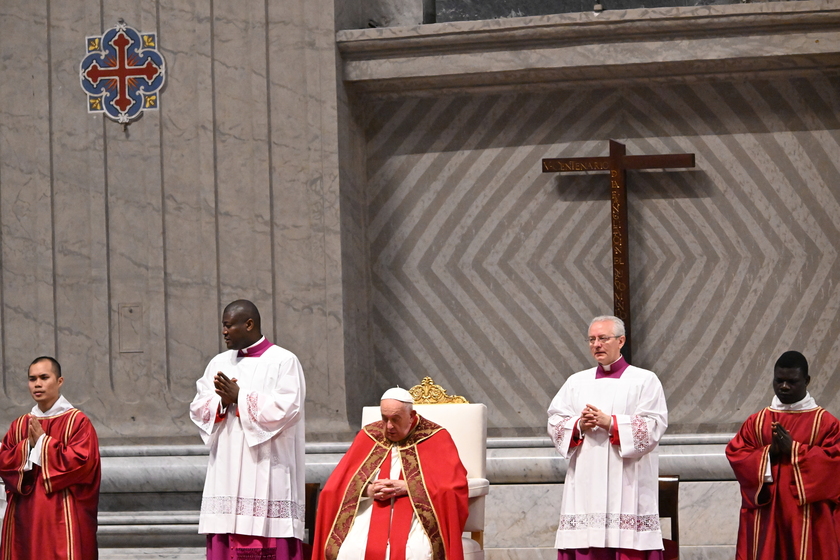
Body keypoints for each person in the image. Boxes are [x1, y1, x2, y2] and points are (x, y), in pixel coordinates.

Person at [190, 299, 307, 560]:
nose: (224, 332)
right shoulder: (218, 363)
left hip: (268, 466)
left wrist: (241, 397)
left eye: (228, 325)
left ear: (249, 324)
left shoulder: (284, 361)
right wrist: (221, 401)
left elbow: (287, 409)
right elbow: (198, 406)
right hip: (227, 468)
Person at [547, 316, 668, 560]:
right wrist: (579, 424)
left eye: (603, 338)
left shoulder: (644, 380)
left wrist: (611, 423)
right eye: (592, 339)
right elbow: (555, 420)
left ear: (621, 340)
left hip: (628, 480)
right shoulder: (575, 382)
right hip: (586, 481)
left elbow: (654, 426)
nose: (596, 344)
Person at [313, 388, 469, 560]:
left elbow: (453, 487)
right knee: (350, 551)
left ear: (411, 415)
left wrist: (409, 487)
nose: (388, 426)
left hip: (417, 515)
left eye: (395, 419)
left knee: (415, 553)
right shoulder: (369, 435)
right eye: (384, 418)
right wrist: (367, 490)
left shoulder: (436, 437)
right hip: (369, 509)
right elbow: (335, 486)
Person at [725, 350, 840, 560]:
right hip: (766, 514)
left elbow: (835, 464)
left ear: (806, 381)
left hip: (809, 516)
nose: (784, 387)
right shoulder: (757, 421)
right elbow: (737, 453)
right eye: (779, 381)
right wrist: (769, 452)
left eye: (791, 381)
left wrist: (795, 450)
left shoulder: (825, 423)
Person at [0, 356, 101, 560]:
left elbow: (83, 463)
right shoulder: (19, 425)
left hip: (62, 517)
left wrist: (43, 443)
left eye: (44, 377)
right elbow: (4, 462)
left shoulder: (77, 422)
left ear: (59, 381)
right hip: (24, 518)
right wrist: (27, 445)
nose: (37, 384)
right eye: (32, 379)